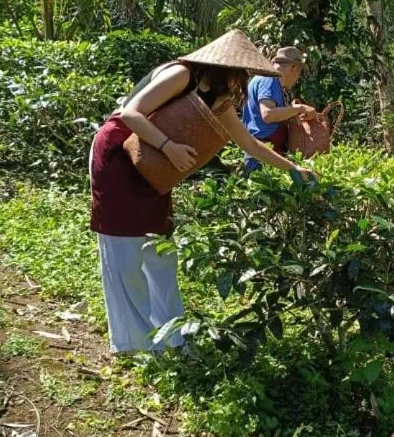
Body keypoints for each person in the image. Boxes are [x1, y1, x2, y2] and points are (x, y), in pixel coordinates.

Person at [89, 29, 315, 355]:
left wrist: (293, 169)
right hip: (119, 156)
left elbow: (249, 143)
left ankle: (172, 339)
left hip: (155, 166)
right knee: (125, 253)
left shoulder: (219, 100)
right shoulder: (182, 74)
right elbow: (130, 113)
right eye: (242, 74)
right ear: (226, 69)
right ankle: (134, 345)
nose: (244, 82)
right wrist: (169, 147)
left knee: (160, 252)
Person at [241, 45, 317, 174]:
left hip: (263, 151)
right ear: (294, 68)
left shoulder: (268, 79)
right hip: (261, 152)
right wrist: (299, 108)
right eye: (299, 72)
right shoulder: (269, 79)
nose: (297, 78)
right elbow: (268, 114)